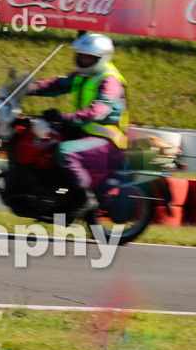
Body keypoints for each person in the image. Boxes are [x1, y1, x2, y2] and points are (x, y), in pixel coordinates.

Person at [26, 33, 129, 217]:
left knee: (65, 151)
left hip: (106, 138)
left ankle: (84, 199)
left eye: (88, 57)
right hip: (84, 130)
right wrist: (26, 88)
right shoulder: (84, 74)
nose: (83, 60)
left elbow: (98, 110)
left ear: (100, 58)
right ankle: (54, 195)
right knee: (45, 141)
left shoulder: (109, 80)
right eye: (81, 55)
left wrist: (63, 117)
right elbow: (57, 84)